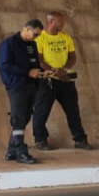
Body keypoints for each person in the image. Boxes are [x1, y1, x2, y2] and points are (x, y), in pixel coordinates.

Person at [32, 10, 92, 151]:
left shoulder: (66, 38)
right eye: (60, 21)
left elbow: (73, 57)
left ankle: (80, 139)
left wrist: (63, 70)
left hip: (66, 79)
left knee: (73, 111)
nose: (63, 24)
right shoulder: (40, 39)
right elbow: (39, 60)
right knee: (42, 111)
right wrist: (54, 71)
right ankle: (40, 140)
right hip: (47, 81)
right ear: (51, 21)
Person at [0, 19, 46, 164]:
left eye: (38, 35)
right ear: (26, 28)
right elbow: (4, 65)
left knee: (24, 118)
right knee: (18, 118)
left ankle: (11, 151)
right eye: (35, 34)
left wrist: (41, 72)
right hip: (16, 86)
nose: (36, 37)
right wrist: (27, 72)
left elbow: (34, 64)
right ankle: (21, 152)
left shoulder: (33, 45)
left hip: (31, 85)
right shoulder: (9, 44)